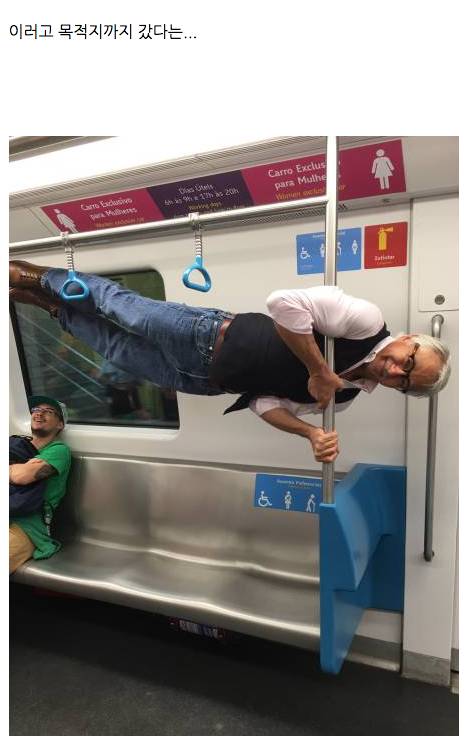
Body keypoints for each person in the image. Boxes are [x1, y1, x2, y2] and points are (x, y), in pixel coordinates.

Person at [9, 261, 451, 466]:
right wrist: (319, 370)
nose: (398, 371)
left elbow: (263, 403)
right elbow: (283, 303)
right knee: (123, 309)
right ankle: (38, 276)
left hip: (203, 380)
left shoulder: (344, 398)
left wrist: (311, 432)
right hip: (206, 334)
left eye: (406, 382)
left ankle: (53, 307)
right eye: (410, 361)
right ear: (408, 339)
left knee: (114, 349)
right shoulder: (365, 323)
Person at [9, 394, 71, 574]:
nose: (39, 413)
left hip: (26, 527)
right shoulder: (16, 444)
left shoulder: (58, 451)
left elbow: (23, 476)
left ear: (60, 424)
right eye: (36, 409)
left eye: (48, 411)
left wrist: (18, 470)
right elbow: (18, 473)